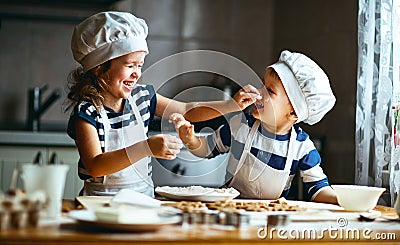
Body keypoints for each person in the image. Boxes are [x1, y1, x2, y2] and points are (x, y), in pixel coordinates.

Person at [65, 11, 260, 197]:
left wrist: (231, 105)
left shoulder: (142, 97)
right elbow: (95, 165)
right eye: (130, 65)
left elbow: (187, 110)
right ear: (100, 68)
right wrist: (146, 147)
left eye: (140, 65)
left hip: (142, 202)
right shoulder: (87, 112)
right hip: (98, 204)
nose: (137, 73)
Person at [170, 50, 338, 204]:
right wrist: (190, 139)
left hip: (270, 218)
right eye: (262, 85)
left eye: (270, 91)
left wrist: (342, 200)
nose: (258, 92)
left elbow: (318, 188)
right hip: (230, 212)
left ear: (294, 113)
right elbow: (207, 148)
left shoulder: (302, 147)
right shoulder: (240, 125)